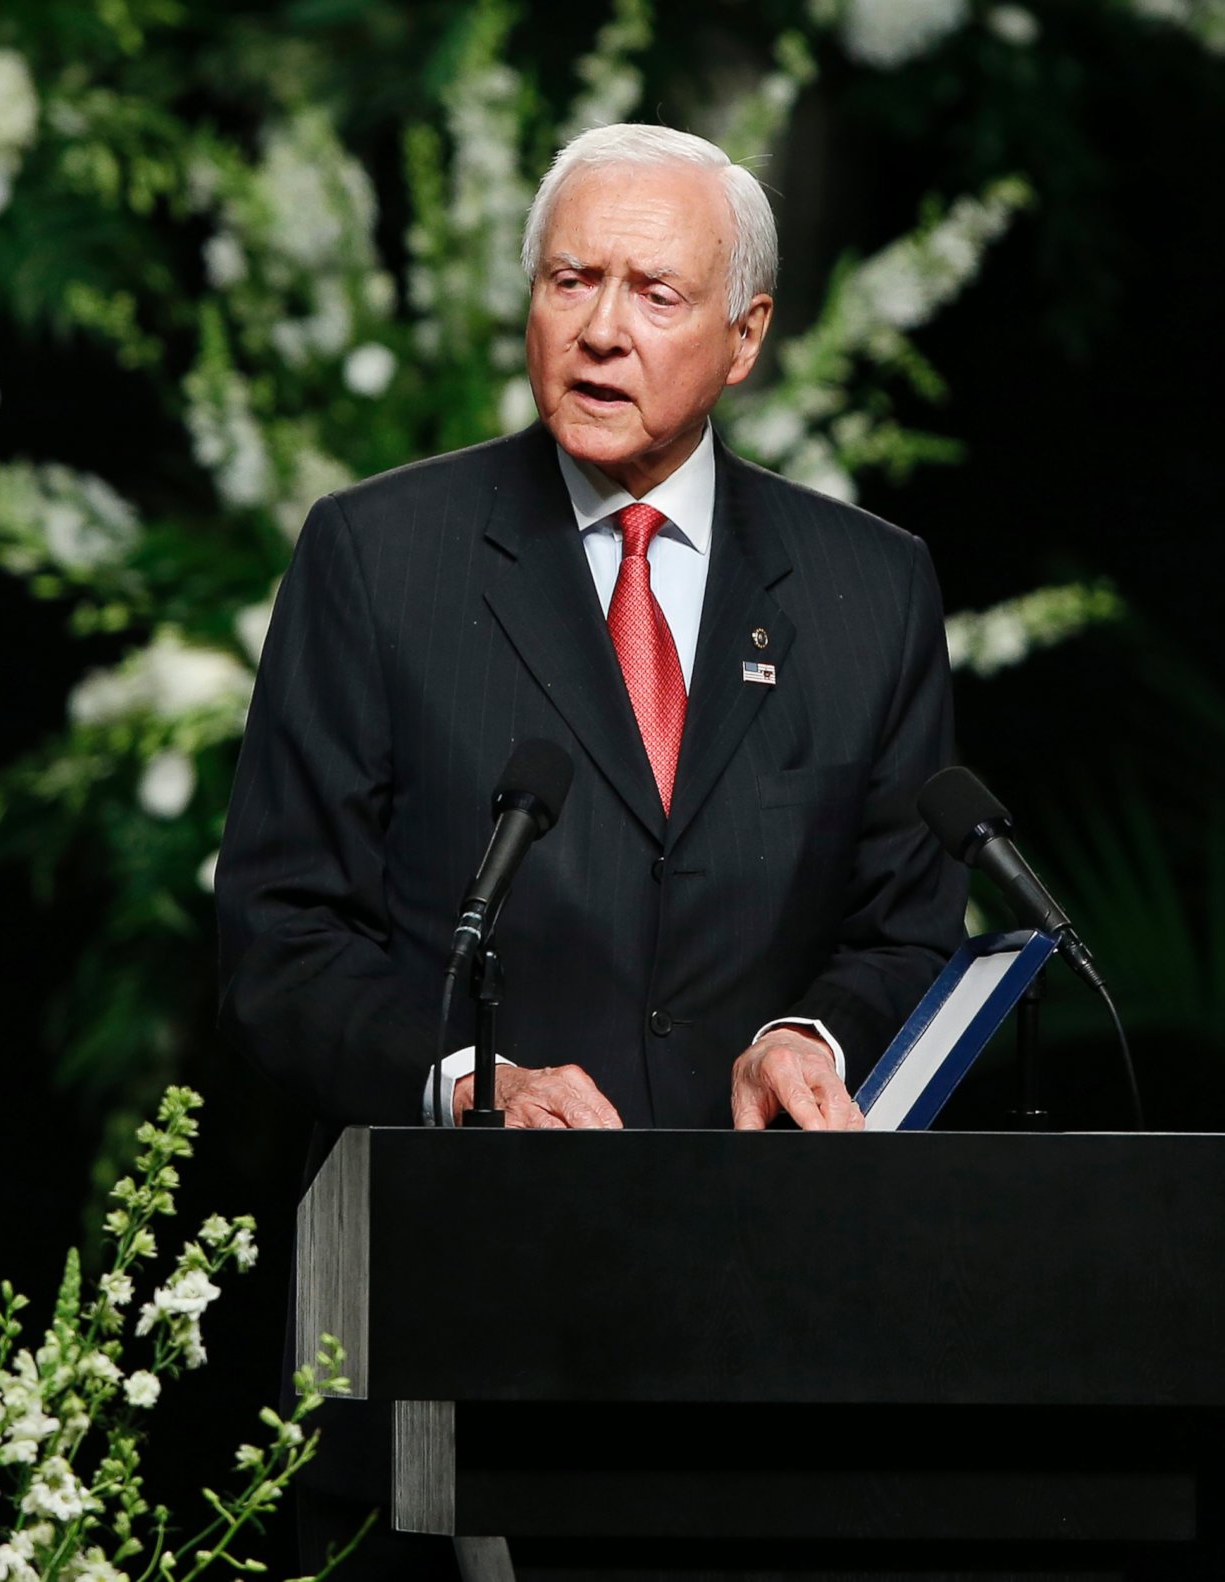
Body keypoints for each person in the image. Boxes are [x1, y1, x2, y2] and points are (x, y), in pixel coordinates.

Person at [217, 120, 966, 1155]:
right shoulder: (378, 556)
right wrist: (474, 1084)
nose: (601, 330)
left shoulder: (870, 588)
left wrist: (814, 1036)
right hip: (467, 1231)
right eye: (571, 281)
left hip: (765, 1237)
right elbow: (281, 940)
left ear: (746, 337)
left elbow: (908, 931)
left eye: (656, 295)